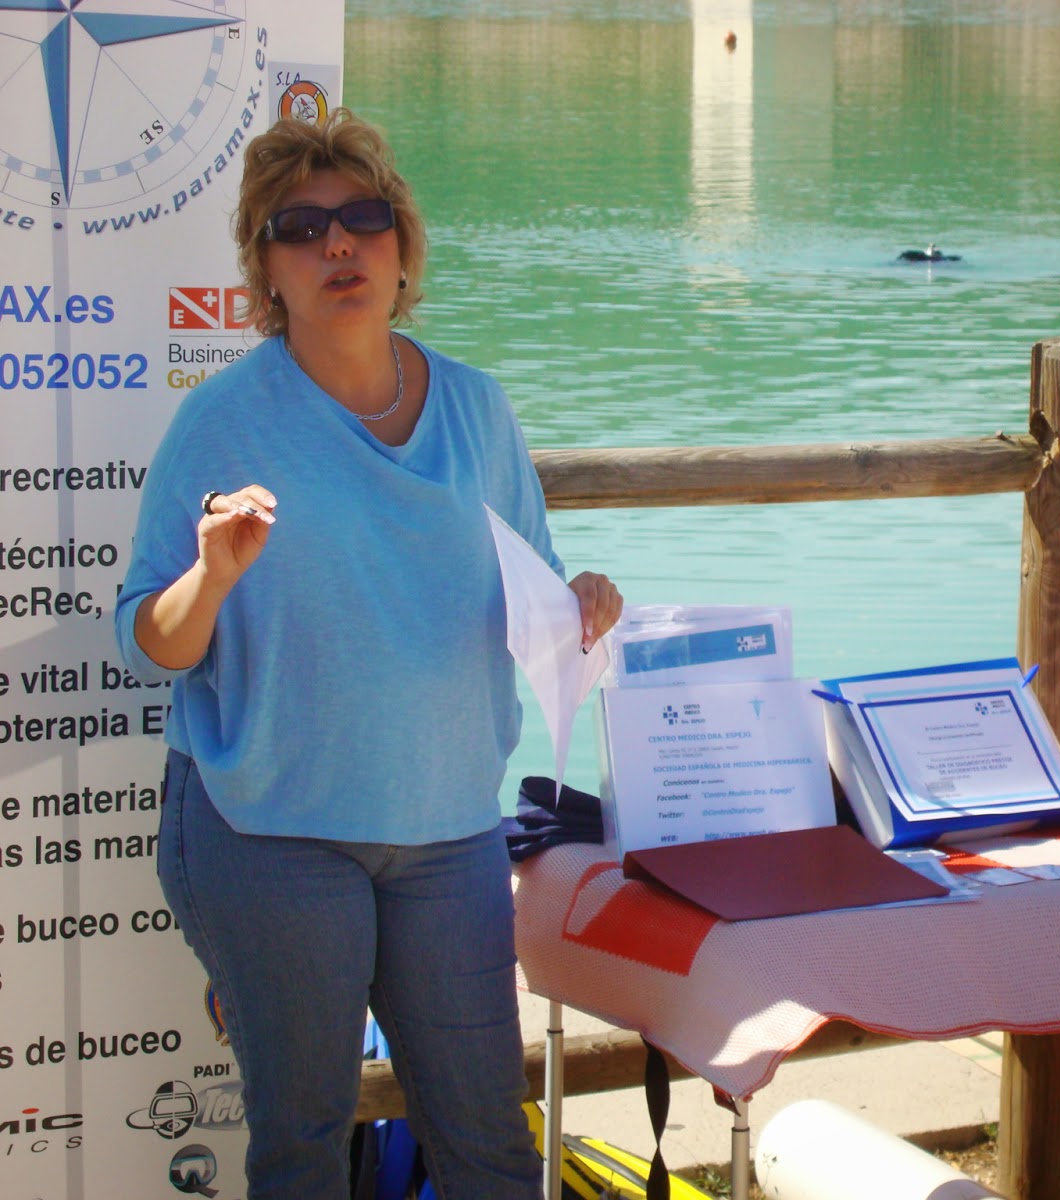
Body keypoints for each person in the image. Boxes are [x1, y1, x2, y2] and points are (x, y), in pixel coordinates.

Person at [115, 108, 621, 1199]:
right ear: (266, 270)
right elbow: (151, 638)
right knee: (303, 1147)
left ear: (402, 250)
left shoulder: (477, 408)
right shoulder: (220, 421)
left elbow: (531, 591)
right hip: (271, 829)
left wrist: (580, 601)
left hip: (448, 830)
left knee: (488, 1143)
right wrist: (211, 575)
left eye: (364, 218)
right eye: (301, 228)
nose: (338, 244)